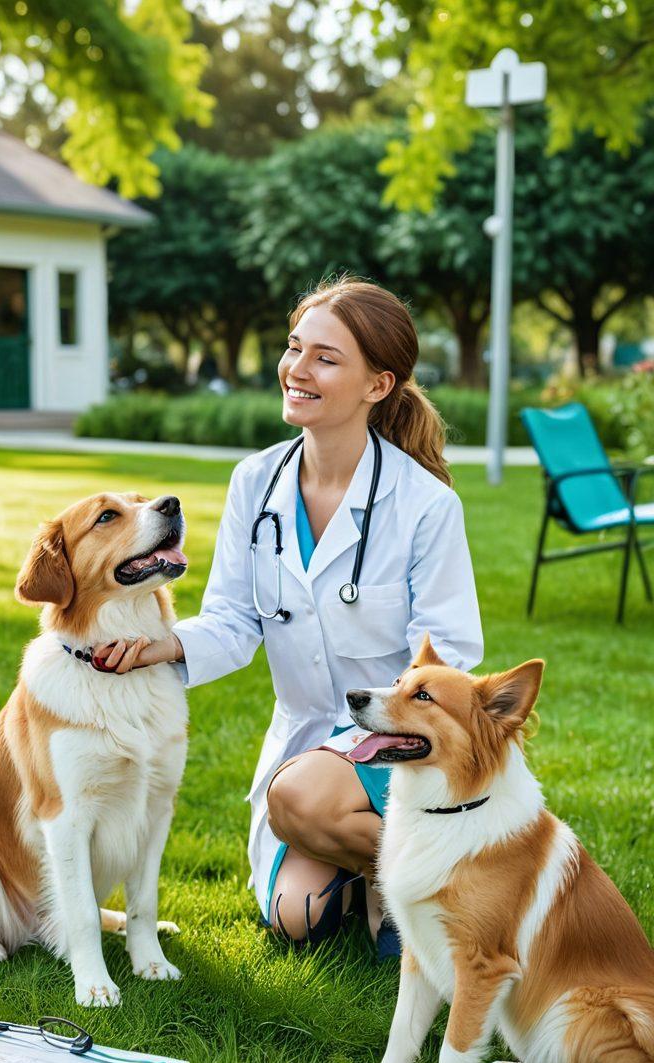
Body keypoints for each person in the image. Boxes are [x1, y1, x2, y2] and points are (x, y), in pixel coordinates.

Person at [98, 275, 483, 950]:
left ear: (378, 385)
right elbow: (233, 619)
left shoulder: (425, 505)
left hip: (400, 741)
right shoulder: (257, 481)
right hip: (305, 742)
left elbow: (451, 651)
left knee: (297, 799)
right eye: (294, 348)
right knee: (297, 919)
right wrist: (167, 646)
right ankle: (403, 878)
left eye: (325, 359)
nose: (295, 370)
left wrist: (380, 725)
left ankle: (452, 878)